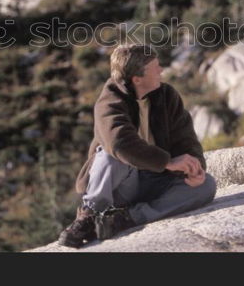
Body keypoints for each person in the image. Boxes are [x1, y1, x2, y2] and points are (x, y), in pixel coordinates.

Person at [58, 44, 217, 248]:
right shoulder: (109, 100)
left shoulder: (167, 96)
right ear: (137, 79)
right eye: (156, 67)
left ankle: (124, 219)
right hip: (124, 185)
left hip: (158, 180)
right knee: (109, 155)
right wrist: (167, 162)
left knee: (206, 186)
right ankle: (89, 216)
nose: (161, 71)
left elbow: (186, 138)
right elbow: (119, 142)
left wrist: (195, 168)